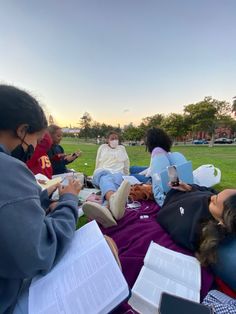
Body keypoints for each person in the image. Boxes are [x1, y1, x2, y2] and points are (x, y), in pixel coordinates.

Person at [0, 85, 82, 314]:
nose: (35, 147)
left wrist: (42, 199)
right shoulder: (9, 168)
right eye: (36, 139)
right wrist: (68, 201)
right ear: (22, 130)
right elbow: (41, 252)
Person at [82, 131, 131, 227]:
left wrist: (127, 175)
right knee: (105, 178)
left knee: (116, 178)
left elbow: (126, 163)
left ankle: (106, 207)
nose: (114, 140)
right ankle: (113, 202)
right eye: (112, 138)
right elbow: (98, 162)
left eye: (116, 138)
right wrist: (95, 175)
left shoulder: (122, 148)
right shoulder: (102, 148)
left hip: (118, 173)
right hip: (103, 172)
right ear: (107, 140)